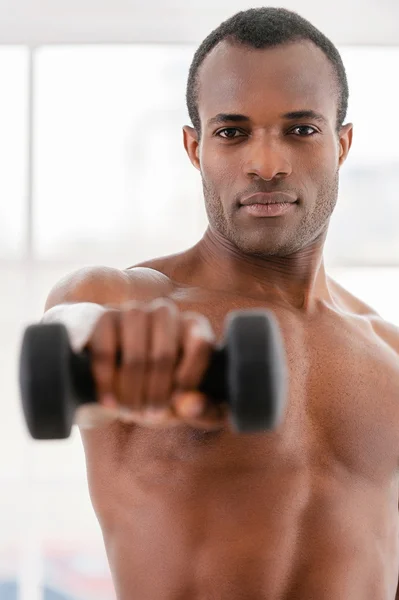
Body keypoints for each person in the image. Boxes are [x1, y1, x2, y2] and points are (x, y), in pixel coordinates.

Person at [41, 7, 399, 599]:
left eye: (300, 130)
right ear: (194, 147)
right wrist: (108, 353)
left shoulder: (388, 352)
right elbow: (69, 331)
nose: (266, 164)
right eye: (232, 132)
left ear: (342, 143)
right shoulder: (126, 301)